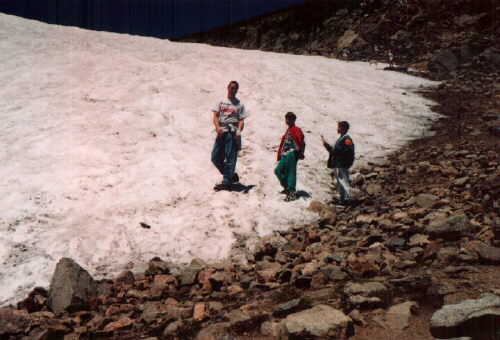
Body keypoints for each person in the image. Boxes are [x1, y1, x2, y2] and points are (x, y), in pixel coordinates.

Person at [211, 81, 247, 190]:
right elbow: (215, 116)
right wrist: (217, 127)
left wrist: (239, 131)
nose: (233, 90)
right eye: (232, 88)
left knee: (230, 157)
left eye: (236, 88)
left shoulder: (239, 104)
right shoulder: (220, 102)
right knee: (215, 157)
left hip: (232, 133)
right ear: (228, 88)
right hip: (221, 131)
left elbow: (241, 120)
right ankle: (231, 175)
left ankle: (227, 181)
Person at [321, 121, 355, 206]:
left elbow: (347, 150)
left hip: (342, 164)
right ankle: (341, 199)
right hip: (337, 163)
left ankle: (347, 199)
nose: (337, 129)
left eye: (339, 127)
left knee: (343, 181)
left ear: (344, 129)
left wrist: (334, 149)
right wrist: (328, 146)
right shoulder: (341, 139)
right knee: (338, 182)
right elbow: (335, 151)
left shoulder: (347, 139)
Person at [275, 112, 305, 201]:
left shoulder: (296, 129)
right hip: (285, 153)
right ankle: (287, 187)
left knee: (291, 172)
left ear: (293, 120)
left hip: (292, 153)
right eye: (286, 119)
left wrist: (300, 152)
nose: (287, 120)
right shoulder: (288, 130)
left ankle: (292, 192)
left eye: (289, 119)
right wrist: (279, 155)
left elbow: (301, 142)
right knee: (278, 170)